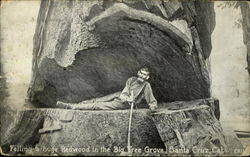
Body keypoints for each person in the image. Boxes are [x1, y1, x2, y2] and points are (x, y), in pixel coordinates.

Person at [56, 67, 158, 111]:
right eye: (141, 73)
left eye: (145, 75)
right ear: (138, 73)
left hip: (125, 104)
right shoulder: (131, 79)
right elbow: (124, 93)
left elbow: (151, 100)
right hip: (122, 96)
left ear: (147, 77)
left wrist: (152, 107)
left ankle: (72, 107)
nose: (142, 76)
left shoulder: (146, 85)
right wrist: (127, 98)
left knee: (97, 105)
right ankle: (78, 104)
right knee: (98, 99)